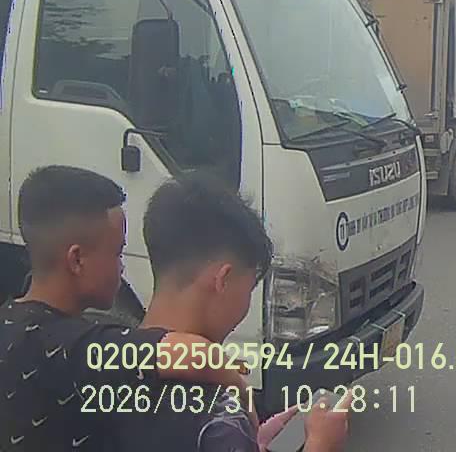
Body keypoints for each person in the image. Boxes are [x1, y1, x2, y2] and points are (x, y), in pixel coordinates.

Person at [0, 166, 245, 451]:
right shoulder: (70, 347)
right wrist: (239, 394)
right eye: (117, 251)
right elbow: (194, 355)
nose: (121, 266)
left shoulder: (10, 321)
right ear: (77, 259)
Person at [112, 172, 352, 452]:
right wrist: (321, 445)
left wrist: (251, 444)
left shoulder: (104, 367)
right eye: (249, 288)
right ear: (223, 280)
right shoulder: (218, 419)